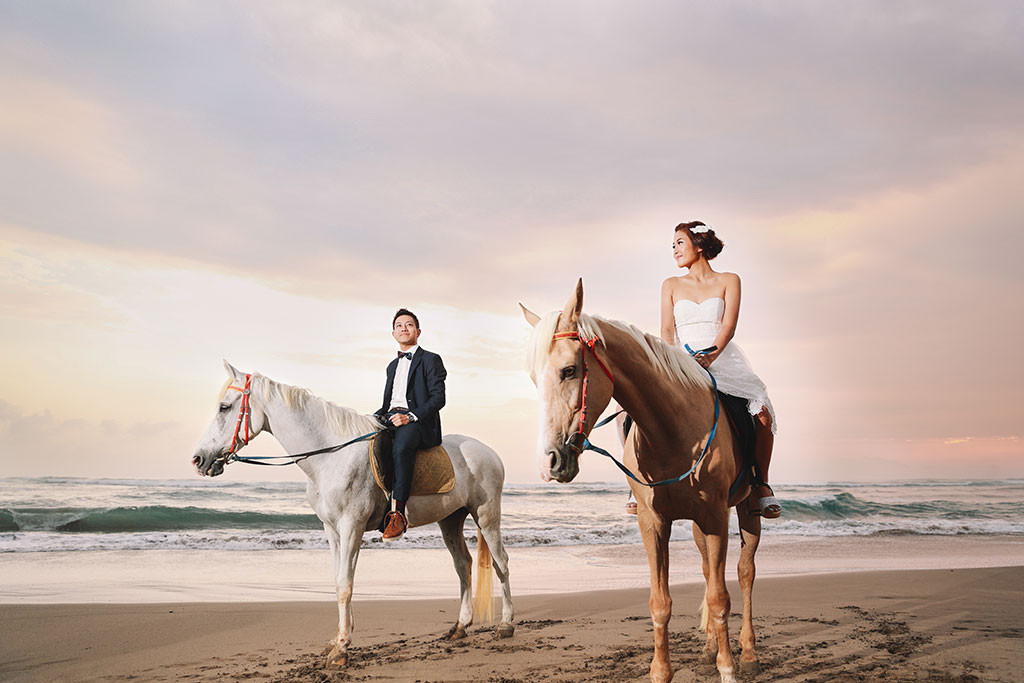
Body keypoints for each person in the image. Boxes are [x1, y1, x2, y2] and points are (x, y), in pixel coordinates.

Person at [660, 221, 781, 518]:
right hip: (681, 359)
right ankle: (638, 483)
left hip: (721, 357)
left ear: (699, 245)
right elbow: (667, 331)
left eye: (679, 243)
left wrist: (711, 356)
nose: (674, 250)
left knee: (762, 413)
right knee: (628, 409)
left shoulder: (729, 279)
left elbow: (729, 326)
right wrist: (675, 362)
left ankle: (761, 483)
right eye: (673, 245)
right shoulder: (670, 285)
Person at [373, 308, 448, 540]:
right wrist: (372, 418)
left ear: (418, 331)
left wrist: (411, 416)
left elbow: (438, 398)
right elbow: (387, 403)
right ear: (393, 334)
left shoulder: (431, 359)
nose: (403, 328)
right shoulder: (391, 366)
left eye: (408, 325)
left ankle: (398, 514)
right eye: (399, 326)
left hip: (418, 421)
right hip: (390, 416)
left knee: (401, 448)